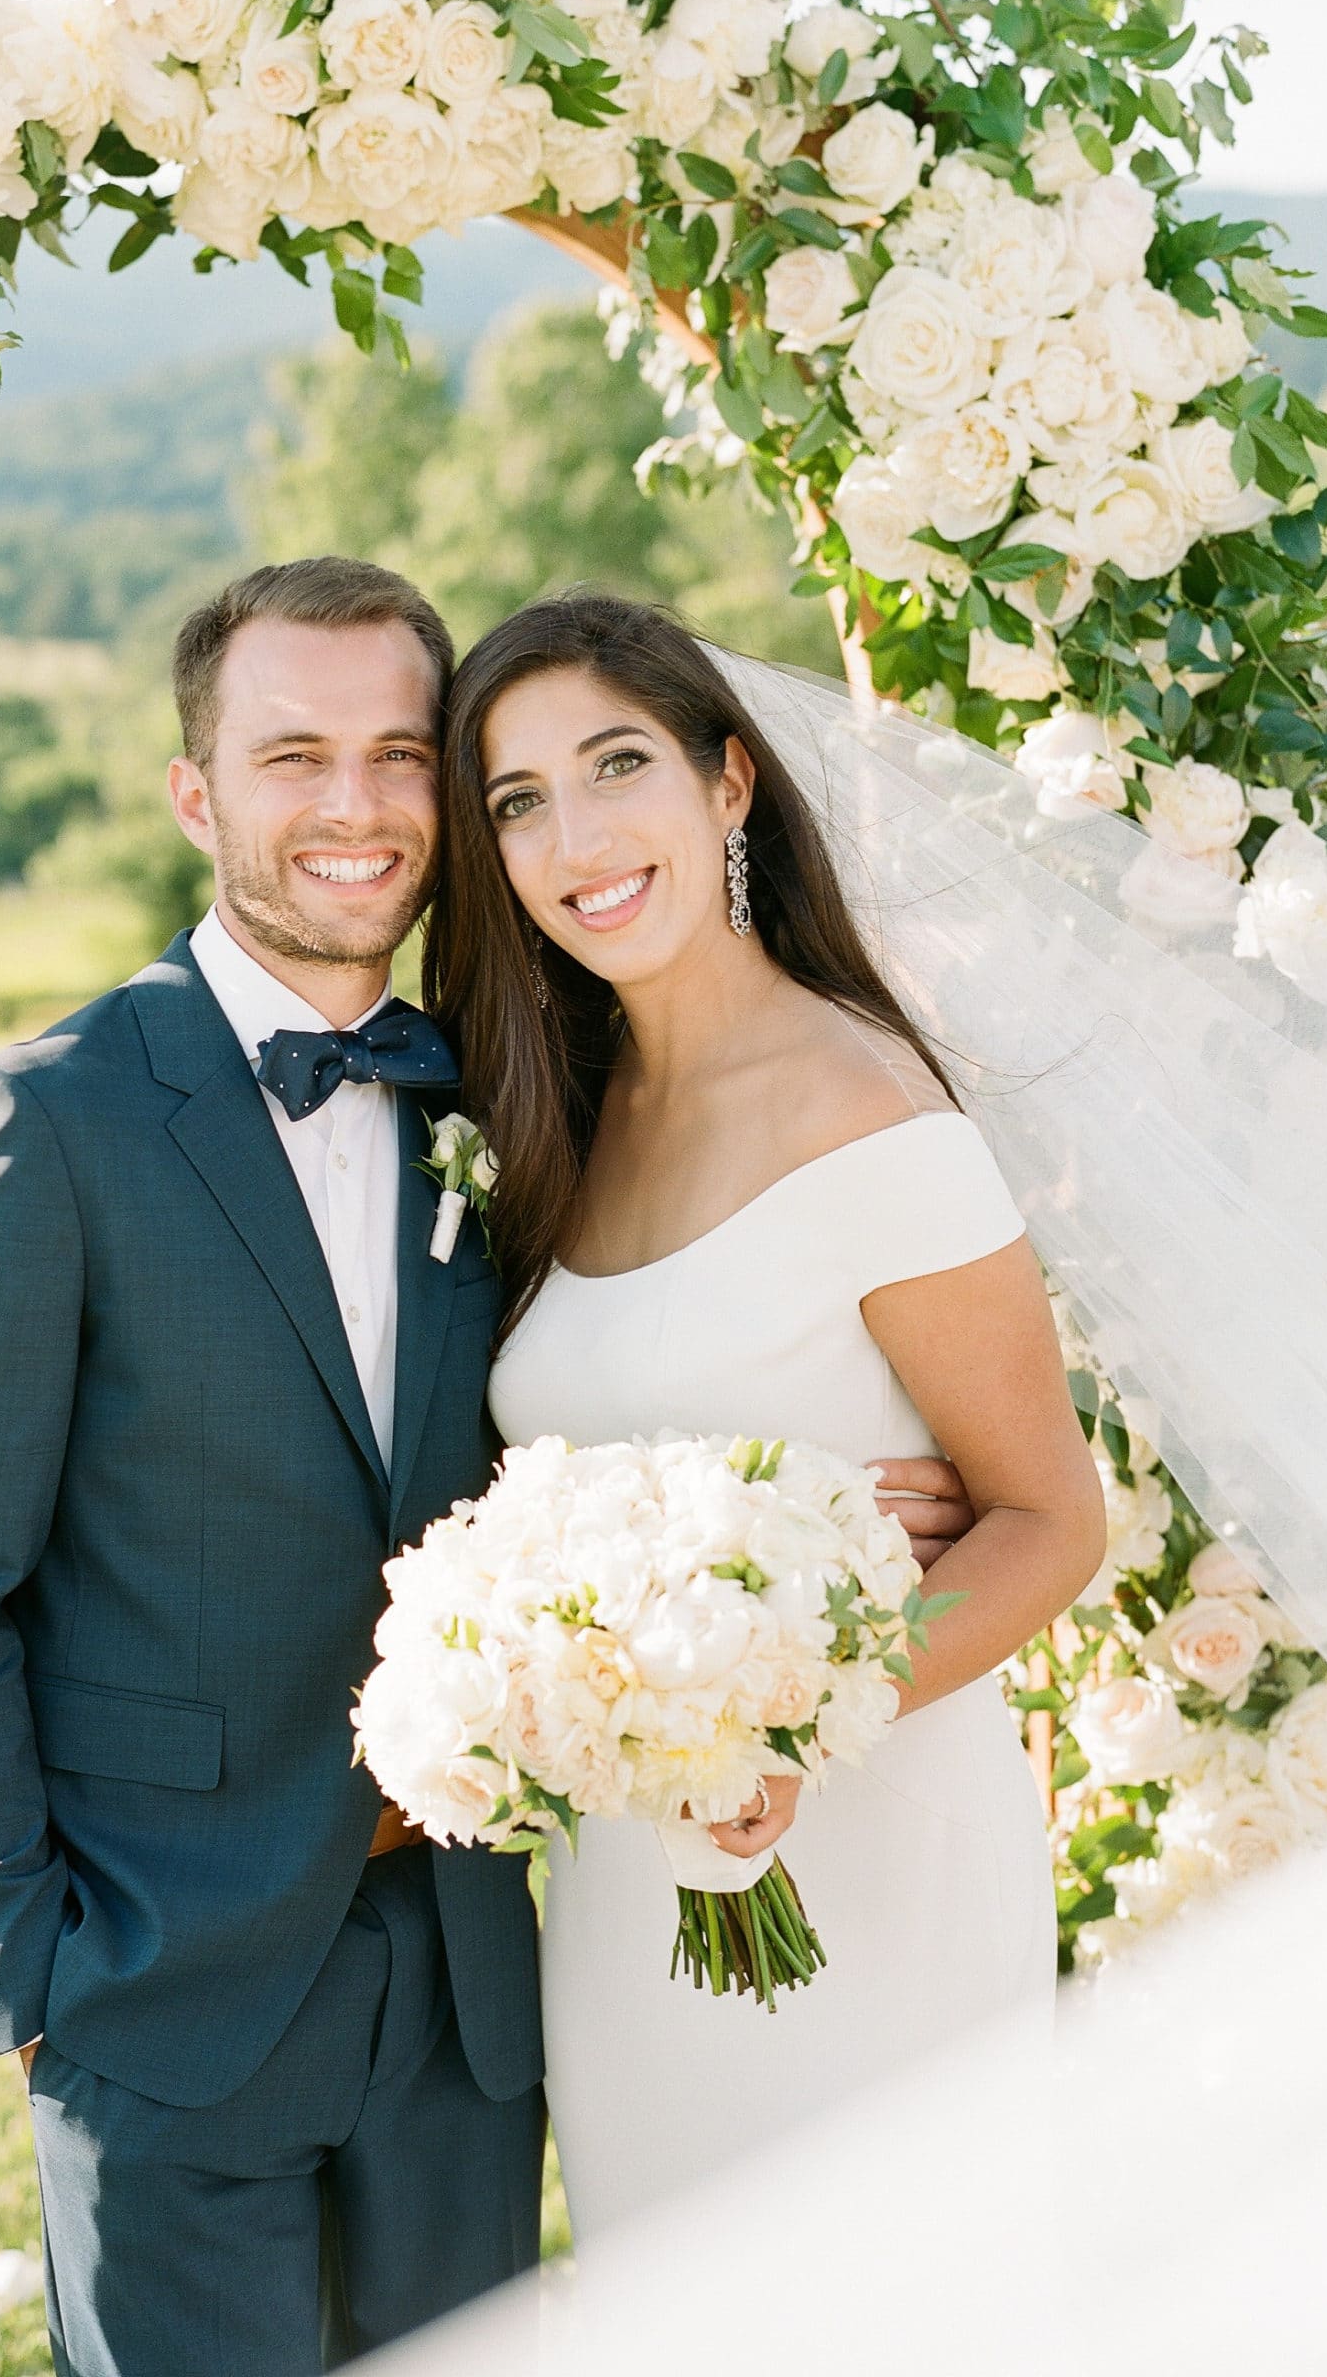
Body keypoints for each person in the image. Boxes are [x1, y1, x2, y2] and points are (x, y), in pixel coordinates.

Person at [0, 557, 979, 2371]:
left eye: (400, 756)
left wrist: (835, 1501)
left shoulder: (506, 1097)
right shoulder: (38, 1123)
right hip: (161, 1986)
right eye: (296, 757)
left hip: (466, 1991)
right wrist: (33, 1981)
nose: (360, 808)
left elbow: (617, 1385)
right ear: (196, 795)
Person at [427, 589, 1106, 2243]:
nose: (574, 835)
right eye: (518, 803)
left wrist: (790, 1723)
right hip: (627, 1885)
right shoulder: (560, 1116)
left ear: (729, 783)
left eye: (615, 767)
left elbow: (1049, 1519)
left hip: (868, 1855)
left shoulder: (867, 1108)